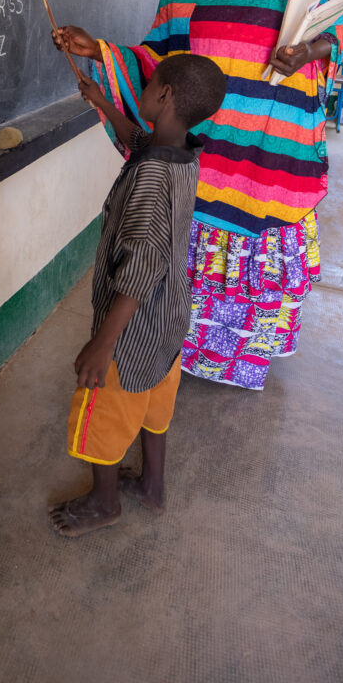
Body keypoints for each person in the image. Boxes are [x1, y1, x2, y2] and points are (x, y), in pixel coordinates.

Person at [54, 0, 343, 392]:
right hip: (203, 160)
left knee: (251, 248)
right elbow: (154, 59)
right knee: (184, 258)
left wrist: (309, 52)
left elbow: (338, 25)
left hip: (264, 155)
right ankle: (184, 354)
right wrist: (96, 50)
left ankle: (243, 360)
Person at [48, 53, 227, 538]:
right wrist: (101, 100)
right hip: (169, 321)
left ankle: (104, 503)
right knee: (154, 404)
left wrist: (104, 343)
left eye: (149, 85)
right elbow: (138, 139)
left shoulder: (150, 177)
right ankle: (152, 484)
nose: (143, 89)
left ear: (165, 96)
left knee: (103, 412)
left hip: (131, 334)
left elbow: (142, 264)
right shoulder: (181, 151)